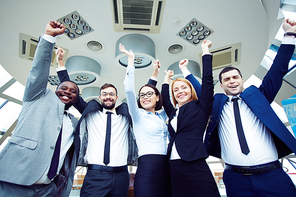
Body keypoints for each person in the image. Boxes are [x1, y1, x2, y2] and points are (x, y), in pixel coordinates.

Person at [185, 19, 296, 197]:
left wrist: (289, 34)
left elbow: (277, 70)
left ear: (242, 80)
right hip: (235, 179)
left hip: (272, 176)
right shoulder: (217, 105)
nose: (232, 81)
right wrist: (187, 72)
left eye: (235, 77)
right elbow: (201, 90)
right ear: (221, 85)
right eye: (227, 79)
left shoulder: (260, 96)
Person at [57, 50, 158, 197]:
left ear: (116, 97)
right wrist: (60, 64)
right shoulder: (90, 113)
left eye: (111, 94)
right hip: (95, 175)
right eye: (104, 94)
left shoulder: (126, 116)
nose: (108, 97)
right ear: (100, 97)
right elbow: (71, 91)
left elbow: (145, 98)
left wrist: (154, 75)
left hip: (121, 175)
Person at [0, 21, 80, 197]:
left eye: (73, 91)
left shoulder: (75, 122)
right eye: (63, 88)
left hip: (49, 189)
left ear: (76, 99)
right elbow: (38, 71)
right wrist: (49, 37)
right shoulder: (37, 97)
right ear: (54, 90)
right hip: (14, 181)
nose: (67, 92)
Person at [161, 40, 220, 197]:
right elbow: (165, 99)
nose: (180, 91)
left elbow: (207, 82)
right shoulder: (173, 113)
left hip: (194, 164)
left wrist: (205, 51)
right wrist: (167, 79)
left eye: (183, 87)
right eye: (176, 90)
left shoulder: (201, 107)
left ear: (190, 89)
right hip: (173, 167)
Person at [120, 44, 171, 197]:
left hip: (167, 166)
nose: (145, 97)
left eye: (149, 94)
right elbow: (129, 90)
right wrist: (131, 60)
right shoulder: (138, 115)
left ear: (157, 98)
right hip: (147, 167)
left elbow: (156, 93)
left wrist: (156, 74)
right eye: (142, 95)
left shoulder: (163, 116)